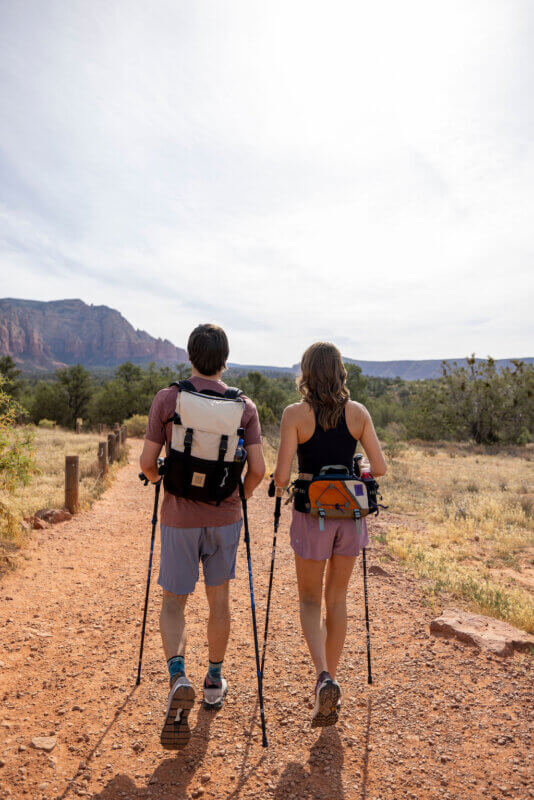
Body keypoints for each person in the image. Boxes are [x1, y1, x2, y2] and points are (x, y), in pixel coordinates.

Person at [140, 324, 265, 749]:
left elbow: (146, 464)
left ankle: (178, 674)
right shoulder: (244, 407)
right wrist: (235, 497)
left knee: (174, 600)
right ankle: (214, 681)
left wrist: (164, 481)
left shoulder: (167, 399)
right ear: (225, 359)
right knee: (219, 602)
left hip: (178, 516)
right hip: (225, 517)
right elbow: (260, 472)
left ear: (190, 355)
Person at [274, 342, 386, 728]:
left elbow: (283, 477)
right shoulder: (358, 414)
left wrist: (278, 483)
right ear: (340, 371)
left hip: (311, 515)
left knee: (309, 599)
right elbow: (381, 467)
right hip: (351, 517)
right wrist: (358, 465)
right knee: (336, 599)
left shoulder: (294, 415)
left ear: (306, 372)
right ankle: (332, 681)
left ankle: (322, 676)